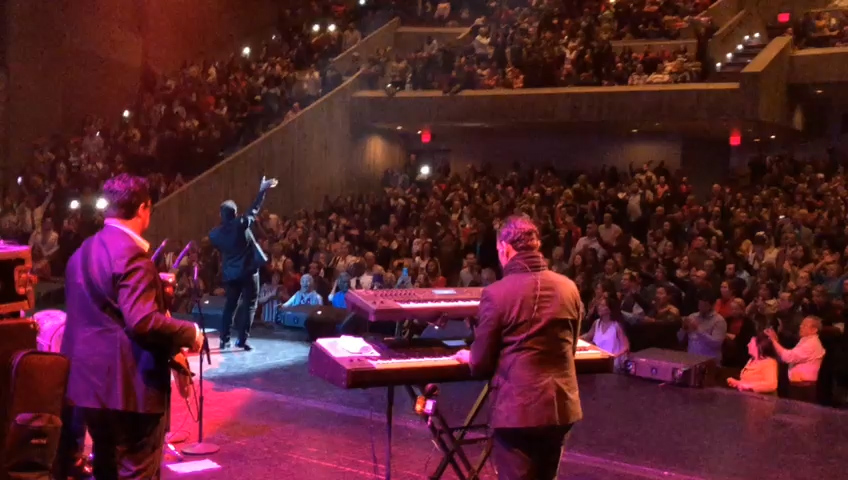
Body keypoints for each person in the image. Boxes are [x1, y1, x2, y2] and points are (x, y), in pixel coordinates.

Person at [60, 173, 204, 479]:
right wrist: (190, 333)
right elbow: (142, 321)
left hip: (87, 388)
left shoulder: (81, 253)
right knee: (137, 472)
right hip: (129, 392)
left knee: (106, 467)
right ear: (143, 208)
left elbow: (104, 316)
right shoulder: (133, 256)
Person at [454, 215, 583, 480]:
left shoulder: (497, 293)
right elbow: (570, 351)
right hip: (561, 407)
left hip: (518, 411)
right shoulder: (569, 288)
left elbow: (480, 363)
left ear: (505, 248)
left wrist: (469, 355)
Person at [209, 176, 279, 351]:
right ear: (235, 213)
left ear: (221, 215)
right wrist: (262, 190)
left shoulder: (215, 235)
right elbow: (254, 210)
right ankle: (242, 340)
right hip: (248, 272)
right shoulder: (241, 224)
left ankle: (224, 340)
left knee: (230, 306)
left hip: (231, 274)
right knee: (250, 304)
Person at [581, 293, 630, 371]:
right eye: (599, 305)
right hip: (598, 363)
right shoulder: (596, 323)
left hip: (613, 366)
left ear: (609, 310)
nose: (599, 308)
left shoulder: (616, 326)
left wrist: (614, 356)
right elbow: (587, 339)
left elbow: (626, 346)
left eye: (603, 306)